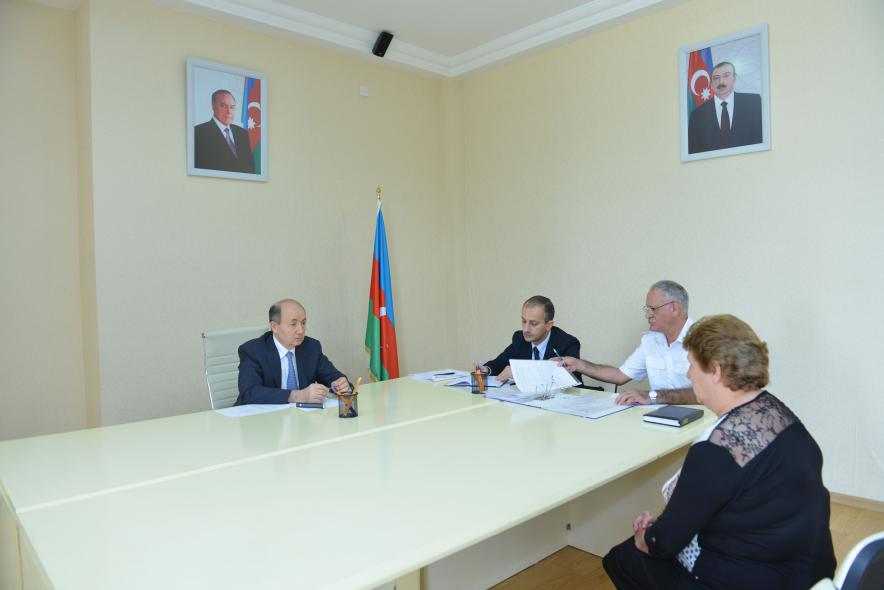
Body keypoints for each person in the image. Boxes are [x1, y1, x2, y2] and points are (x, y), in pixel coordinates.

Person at [602, 314, 836, 590]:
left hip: (755, 577)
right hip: (810, 571)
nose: (688, 374)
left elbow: (661, 544)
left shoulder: (715, 450)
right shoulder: (780, 415)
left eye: (691, 365)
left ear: (715, 371)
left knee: (622, 558)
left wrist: (646, 535)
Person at [559, 280, 697, 405]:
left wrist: (653, 396)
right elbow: (620, 375)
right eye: (647, 309)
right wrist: (579, 365)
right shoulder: (650, 340)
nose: (647, 315)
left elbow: (706, 392)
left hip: (700, 418)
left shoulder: (701, 338)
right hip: (660, 417)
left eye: (652, 309)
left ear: (674, 308)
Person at [235, 299, 350, 405]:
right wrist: (296, 396)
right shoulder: (253, 351)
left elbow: (333, 377)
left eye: (303, 323)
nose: (300, 330)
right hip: (261, 417)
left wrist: (340, 385)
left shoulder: (311, 347)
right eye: (293, 324)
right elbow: (249, 393)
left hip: (300, 416)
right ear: (274, 327)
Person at [483, 296, 581, 383]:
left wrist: (520, 373)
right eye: (523, 321)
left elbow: (568, 381)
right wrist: (485, 369)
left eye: (533, 323)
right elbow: (499, 362)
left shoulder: (567, 343)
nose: (526, 329)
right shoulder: (520, 339)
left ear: (548, 325)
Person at [688, 61, 762, 154]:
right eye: (716, 78)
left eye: (726, 75)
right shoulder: (697, 115)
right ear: (711, 83)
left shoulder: (753, 102)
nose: (721, 82)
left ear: (734, 78)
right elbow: (693, 151)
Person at [194, 89, 255, 173]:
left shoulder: (242, 133)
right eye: (223, 106)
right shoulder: (198, 132)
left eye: (232, 107)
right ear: (213, 106)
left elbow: (250, 168)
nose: (229, 111)